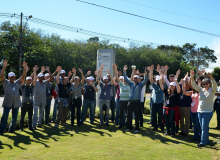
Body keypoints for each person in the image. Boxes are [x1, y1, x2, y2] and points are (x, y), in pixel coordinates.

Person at [190, 69, 217, 148]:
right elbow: (194, 85)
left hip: (208, 111)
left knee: (204, 127)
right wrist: (192, 77)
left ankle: (202, 143)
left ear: (209, 84)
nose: (205, 85)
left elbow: (214, 84)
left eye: (207, 83)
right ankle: (206, 141)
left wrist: (211, 77)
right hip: (200, 111)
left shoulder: (212, 90)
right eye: (204, 84)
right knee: (202, 127)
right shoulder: (201, 90)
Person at [0, 60, 28, 135]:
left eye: (13, 77)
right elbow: (1, 76)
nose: (12, 78)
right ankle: (1, 130)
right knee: (5, 116)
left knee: (14, 117)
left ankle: (11, 129)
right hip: (7, 102)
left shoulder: (17, 82)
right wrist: (4, 67)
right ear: (8, 77)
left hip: (16, 102)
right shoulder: (5, 82)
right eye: (11, 77)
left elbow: (23, 76)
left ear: (14, 77)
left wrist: (24, 69)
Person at [123, 65, 148, 133]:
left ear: (138, 79)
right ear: (133, 79)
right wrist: (124, 71)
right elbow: (125, 79)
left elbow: (145, 81)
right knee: (129, 116)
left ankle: (137, 128)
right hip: (130, 102)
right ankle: (129, 128)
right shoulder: (131, 83)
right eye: (134, 78)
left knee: (137, 116)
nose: (135, 79)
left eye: (137, 78)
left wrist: (146, 74)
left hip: (137, 103)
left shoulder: (140, 85)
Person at [163, 70, 181, 137]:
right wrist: (160, 74)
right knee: (166, 120)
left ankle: (173, 133)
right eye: (170, 86)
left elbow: (179, 90)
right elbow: (162, 86)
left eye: (173, 86)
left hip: (173, 109)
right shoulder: (167, 92)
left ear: (175, 87)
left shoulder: (176, 93)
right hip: (165, 108)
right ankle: (167, 131)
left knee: (171, 120)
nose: (171, 87)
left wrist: (176, 81)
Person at [20, 66, 37, 131]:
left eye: (30, 80)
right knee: (22, 117)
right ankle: (21, 128)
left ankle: (30, 127)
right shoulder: (23, 86)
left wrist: (35, 71)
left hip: (30, 104)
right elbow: (22, 79)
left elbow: (35, 79)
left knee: (30, 117)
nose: (29, 81)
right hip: (24, 104)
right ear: (26, 80)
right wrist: (25, 71)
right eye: (28, 80)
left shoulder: (32, 86)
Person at [149, 65, 164, 132]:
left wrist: (160, 71)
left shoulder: (162, 85)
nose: (158, 81)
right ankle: (155, 126)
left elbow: (162, 79)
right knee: (153, 115)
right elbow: (150, 79)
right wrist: (151, 71)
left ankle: (161, 126)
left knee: (160, 115)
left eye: (159, 80)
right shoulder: (154, 85)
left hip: (160, 103)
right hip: (154, 102)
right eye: (157, 80)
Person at [113, 64, 129, 128]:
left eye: (123, 79)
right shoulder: (120, 84)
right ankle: (118, 123)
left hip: (125, 100)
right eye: (122, 79)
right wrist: (115, 71)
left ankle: (124, 122)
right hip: (119, 99)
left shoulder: (128, 85)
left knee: (125, 113)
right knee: (119, 112)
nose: (122, 80)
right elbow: (117, 78)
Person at [178, 72, 192, 137]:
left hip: (187, 106)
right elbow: (178, 84)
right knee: (181, 119)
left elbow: (185, 91)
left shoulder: (190, 89)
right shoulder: (181, 86)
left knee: (186, 119)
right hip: (181, 105)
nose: (185, 82)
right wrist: (183, 80)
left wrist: (187, 77)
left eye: (187, 81)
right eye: (185, 81)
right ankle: (182, 130)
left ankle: (186, 131)